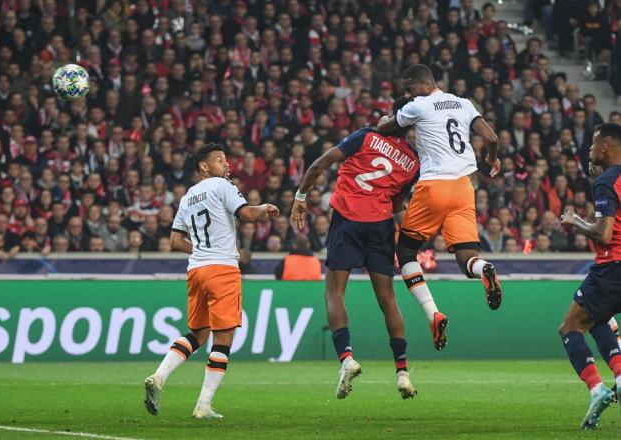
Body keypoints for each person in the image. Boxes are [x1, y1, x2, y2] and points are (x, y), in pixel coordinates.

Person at [291, 98, 420, 401]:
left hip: (347, 220)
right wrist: (416, 234)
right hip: (381, 226)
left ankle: (347, 359)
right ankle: (402, 372)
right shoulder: (413, 161)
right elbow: (399, 204)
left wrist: (300, 196)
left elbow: (319, 164)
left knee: (334, 292)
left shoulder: (365, 136)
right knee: (388, 299)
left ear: (393, 116)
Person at [144, 143, 279, 419]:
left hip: (196, 271)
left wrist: (201, 252)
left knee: (198, 334)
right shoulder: (222, 186)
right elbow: (248, 215)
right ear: (204, 166)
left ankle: (159, 376)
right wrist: (265, 206)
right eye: (220, 159)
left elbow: (174, 241)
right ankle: (203, 405)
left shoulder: (186, 197)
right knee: (223, 338)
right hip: (222, 269)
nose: (226, 164)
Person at [377, 64, 503, 352]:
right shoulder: (464, 103)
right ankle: (483, 268)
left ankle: (432, 312)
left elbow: (385, 127)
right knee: (466, 257)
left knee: (406, 251)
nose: (408, 95)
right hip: (463, 186)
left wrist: (388, 118)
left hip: (434, 185)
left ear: (423, 84)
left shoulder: (418, 105)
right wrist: (493, 159)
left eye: (410, 89)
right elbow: (492, 138)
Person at [558, 123, 621, 429]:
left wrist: (575, 221)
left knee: (570, 327)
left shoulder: (607, 180)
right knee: (597, 318)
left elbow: (605, 234)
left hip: (613, 267)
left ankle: (597, 389)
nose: (591, 150)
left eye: (594, 145)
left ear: (606, 147)